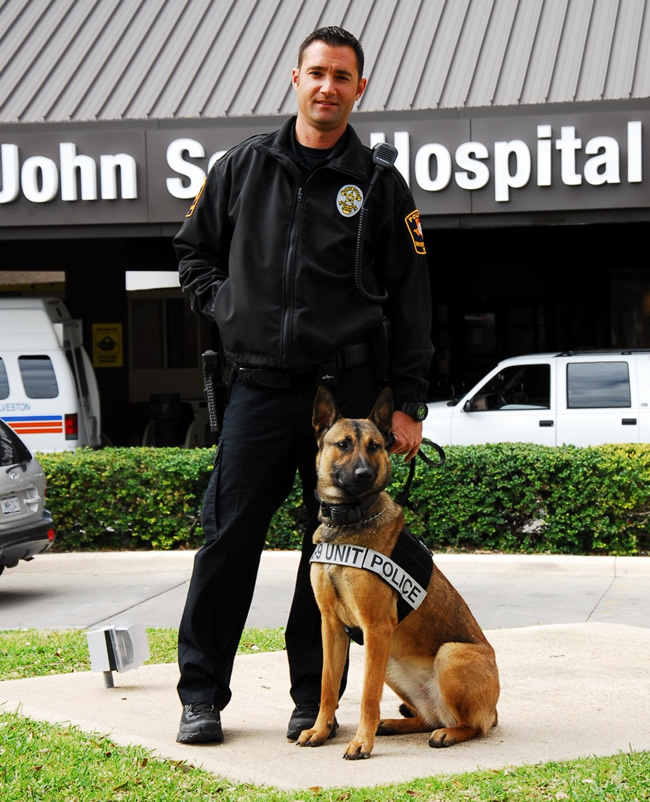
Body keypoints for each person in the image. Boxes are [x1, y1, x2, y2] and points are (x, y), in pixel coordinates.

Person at [173, 25, 433, 745]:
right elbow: (192, 258)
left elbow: (412, 295)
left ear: (360, 88)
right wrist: (231, 307)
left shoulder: (379, 182)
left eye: (342, 76)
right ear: (295, 78)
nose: (328, 86)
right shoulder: (241, 167)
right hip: (258, 386)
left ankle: (309, 700)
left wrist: (408, 402)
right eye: (316, 72)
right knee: (227, 539)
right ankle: (202, 696)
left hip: (348, 391)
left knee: (333, 551)